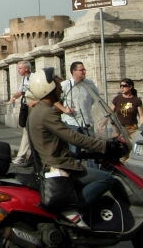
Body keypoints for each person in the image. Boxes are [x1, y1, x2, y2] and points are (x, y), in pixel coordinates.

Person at [27, 67, 116, 228]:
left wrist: (81, 155)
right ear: (48, 90)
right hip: (57, 165)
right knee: (106, 178)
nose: (61, 91)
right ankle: (75, 210)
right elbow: (72, 137)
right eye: (58, 87)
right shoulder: (47, 113)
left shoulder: (37, 110)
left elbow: (50, 143)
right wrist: (104, 145)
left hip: (49, 161)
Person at [10, 61, 34, 166]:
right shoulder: (24, 79)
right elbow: (20, 91)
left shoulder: (33, 78)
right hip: (25, 106)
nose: (18, 70)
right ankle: (24, 156)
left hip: (32, 107)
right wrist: (13, 97)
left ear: (26, 69)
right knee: (26, 130)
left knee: (27, 131)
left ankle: (21, 156)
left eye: (20, 68)